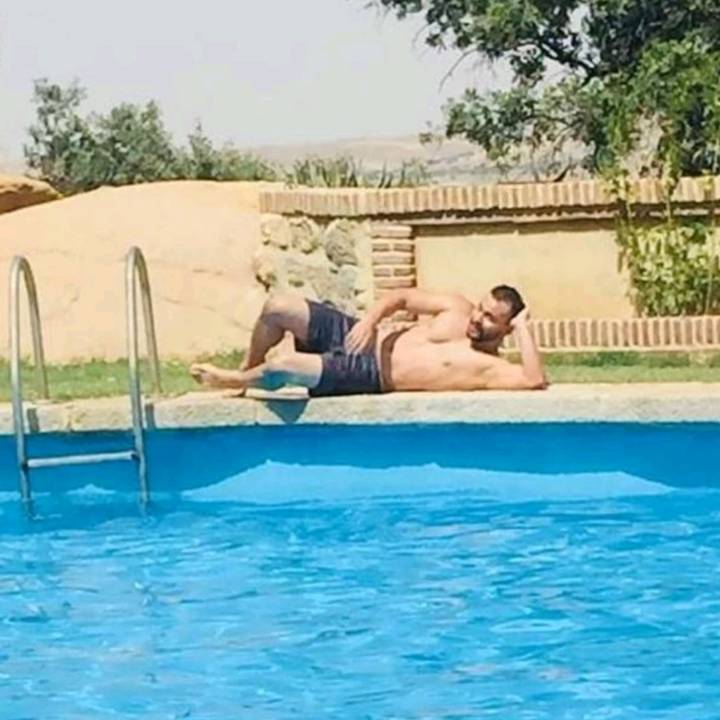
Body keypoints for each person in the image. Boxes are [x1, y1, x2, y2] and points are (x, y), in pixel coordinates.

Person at [190, 285, 548, 396]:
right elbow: (402, 297)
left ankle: (233, 380)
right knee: (277, 307)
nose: (477, 318)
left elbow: (534, 380)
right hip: (359, 333)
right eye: (481, 309)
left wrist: (524, 328)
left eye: (490, 318)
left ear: (506, 329)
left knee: (284, 366)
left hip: (367, 373)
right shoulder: (457, 308)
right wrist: (370, 320)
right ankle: (248, 370)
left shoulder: (490, 367)